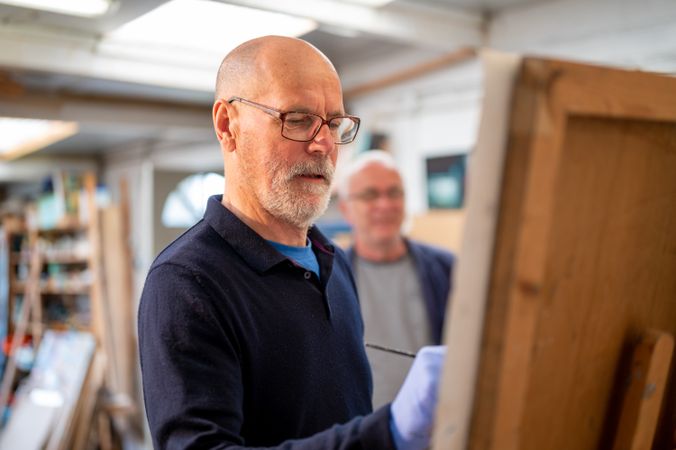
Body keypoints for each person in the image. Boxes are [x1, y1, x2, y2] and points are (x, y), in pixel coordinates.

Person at [138, 36, 445, 450]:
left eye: (334, 124)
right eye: (297, 119)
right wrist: (384, 434)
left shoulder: (332, 263)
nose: (323, 145)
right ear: (228, 125)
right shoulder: (187, 283)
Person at [338, 150, 455, 407]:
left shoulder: (447, 269)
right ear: (346, 208)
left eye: (394, 193)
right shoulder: (331, 278)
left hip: (436, 427)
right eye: (370, 195)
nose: (385, 204)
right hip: (363, 433)